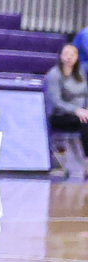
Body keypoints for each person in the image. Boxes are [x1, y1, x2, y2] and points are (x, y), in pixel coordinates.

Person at [46, 43, 87, 173]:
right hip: (60, 115)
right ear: (61, 56)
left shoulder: (80, 74)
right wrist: (76, 110)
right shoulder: (54, 74)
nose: (69, 57)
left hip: (81, 113)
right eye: (66, 54)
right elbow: (56, 102)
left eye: (72, 54)